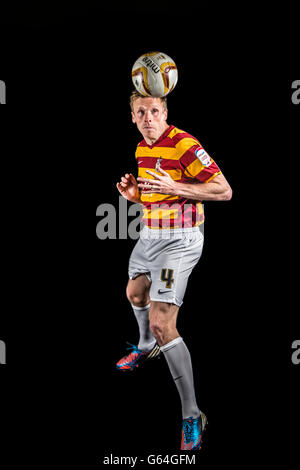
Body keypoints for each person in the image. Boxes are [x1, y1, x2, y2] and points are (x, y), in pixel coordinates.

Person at [116, 90, 232, 450]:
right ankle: (146, 346)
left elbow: (224, 191)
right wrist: (138, 197)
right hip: (151, 234)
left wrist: (176, 186)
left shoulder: (184, 144)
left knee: (162, 322)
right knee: (134, 293)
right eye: (141, 112)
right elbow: (157, 194)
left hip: (180, 241)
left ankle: (192, 414)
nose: (148, 117)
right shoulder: (141, 148)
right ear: (133, 117)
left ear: (165, 112)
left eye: (154, 110)